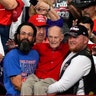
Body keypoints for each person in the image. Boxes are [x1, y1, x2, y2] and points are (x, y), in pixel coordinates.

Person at [47, 25, 96, 95]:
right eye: (70, 37)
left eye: (75, 37)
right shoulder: (73, 51)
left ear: (85, 40)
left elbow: (62, 86)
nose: (71, 40)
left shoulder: (82, 59)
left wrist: (43, 91)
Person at [21, 25, 69, 95]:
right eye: (50, 37)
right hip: (37, 77)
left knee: (39, 86)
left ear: (61, 38)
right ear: (47, 37)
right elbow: (27, 47)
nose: (53, 40)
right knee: (26, 85)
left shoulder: (66, 48)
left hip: (52, 79)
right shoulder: (42, 47)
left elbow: (84, 46)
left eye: (56, 37)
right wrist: (15, 46)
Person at [3, 22, 39, 95]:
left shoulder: (35, 54)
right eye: (23, 33)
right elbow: (17, 85)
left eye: (30, 35)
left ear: (33, 38)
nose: (26, 37)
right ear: (18, 36)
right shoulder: (12, 55)